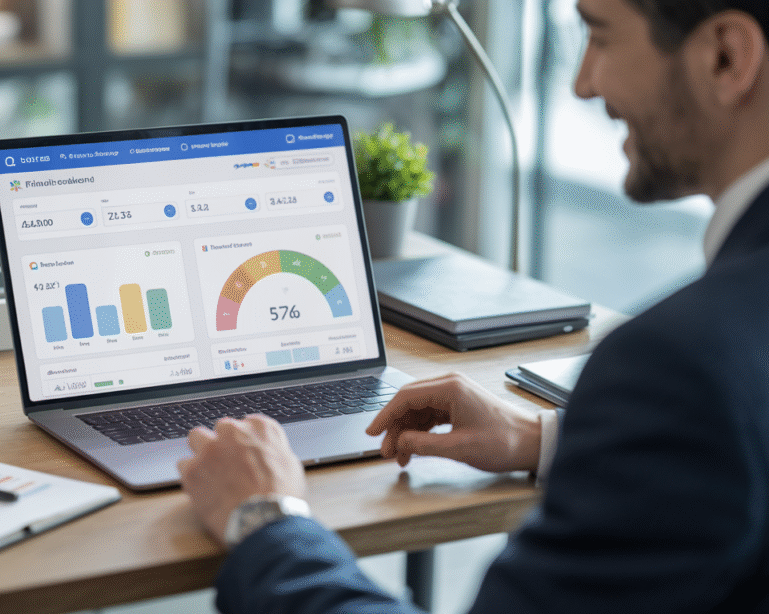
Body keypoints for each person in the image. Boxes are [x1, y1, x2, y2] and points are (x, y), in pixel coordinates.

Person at [176, 0, 769, 612]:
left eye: (601, 36)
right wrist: (539, 438)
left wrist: (267, 521)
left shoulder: (676, 365)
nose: (582, 84)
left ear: (727, 56)